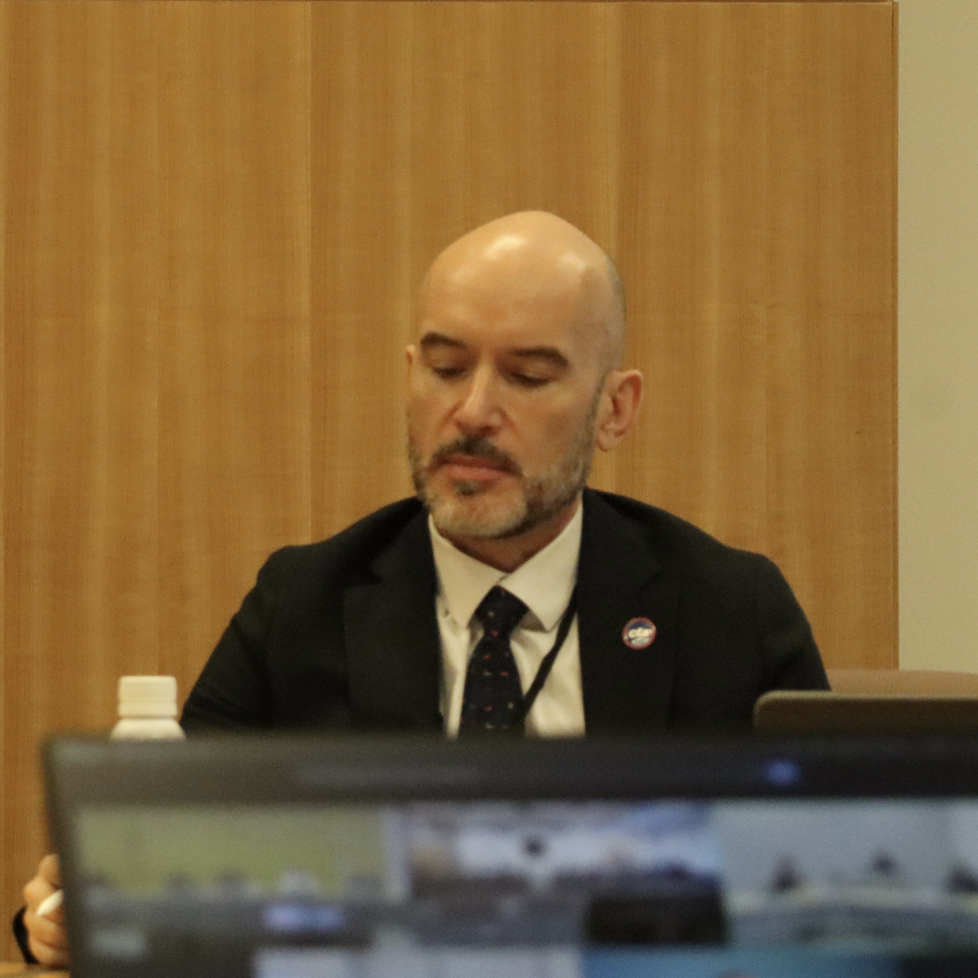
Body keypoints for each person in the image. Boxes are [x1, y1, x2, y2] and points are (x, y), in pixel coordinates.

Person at [16, 211, 828, 964]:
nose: (472, 412)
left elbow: (827, 889)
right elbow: (164, 863)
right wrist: (67, 914)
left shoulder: (730, 611)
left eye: (528, 376)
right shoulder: (305, 603)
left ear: (614, 409)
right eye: (445, 368)